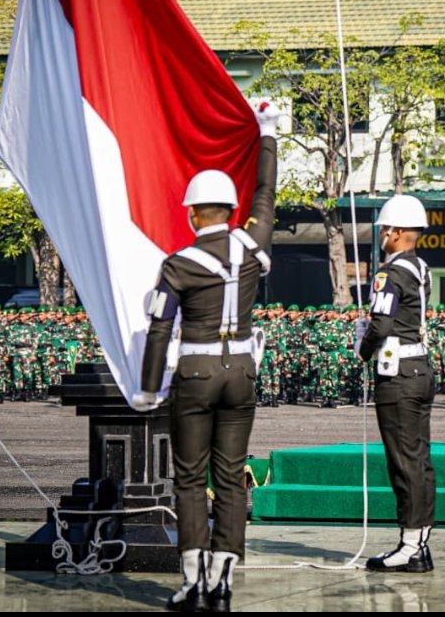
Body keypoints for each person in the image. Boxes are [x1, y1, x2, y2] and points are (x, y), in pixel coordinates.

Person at [135, 101, 279, 612]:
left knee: (191, 479)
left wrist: (148, 387)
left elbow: (160, 328)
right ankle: (223, 581)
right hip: (241, 373)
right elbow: (267, 192)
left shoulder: (179, 264)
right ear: (232, 210)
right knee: (232, 476)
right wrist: (267, 134)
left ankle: (193, 581)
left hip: (195, 376)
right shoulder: (252, 248)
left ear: (193, 213)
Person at [356, 194, 436, 573]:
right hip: (419, 368)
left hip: (398, 375)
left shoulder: (390, 274)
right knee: (419, 461)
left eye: (384, 230)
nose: (381, 235)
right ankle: (420, 541)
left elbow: (382, 324)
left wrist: (363, 350)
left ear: (397, 232)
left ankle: (410, 546)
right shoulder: (422, 269)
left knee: (403, 462)